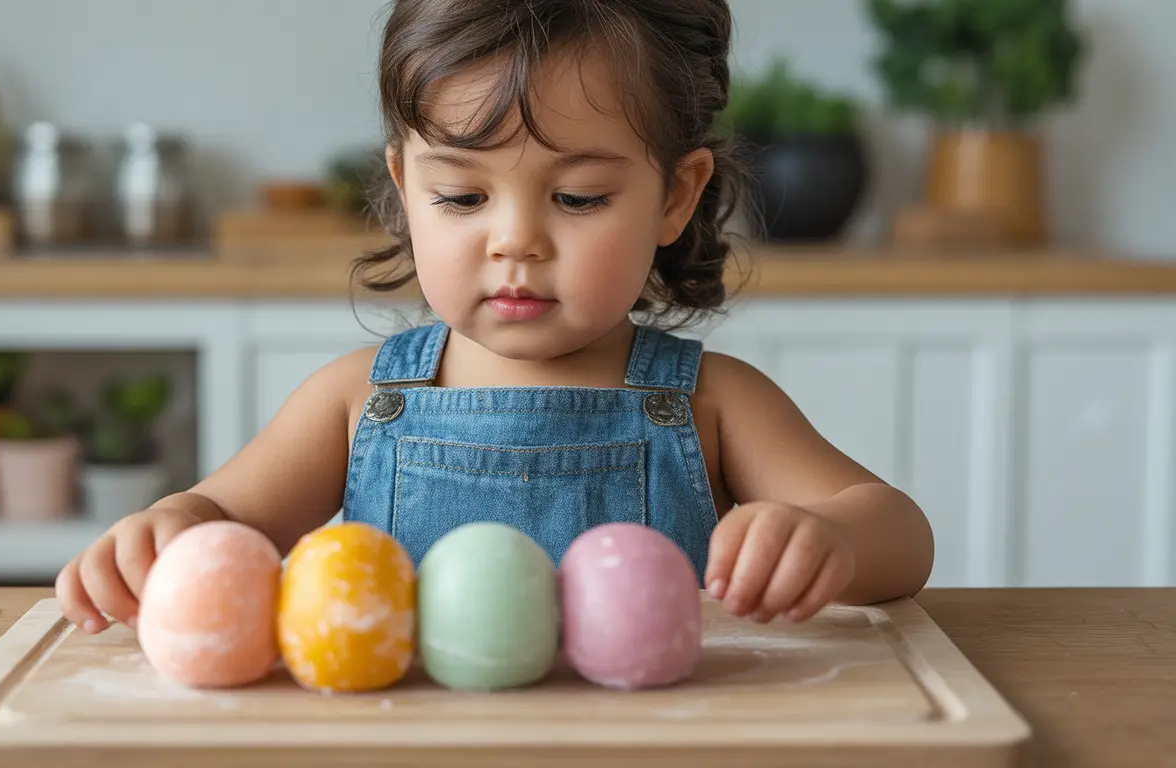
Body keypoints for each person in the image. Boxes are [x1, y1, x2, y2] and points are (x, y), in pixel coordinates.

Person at [57, 0, 934, 636]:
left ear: (675, 196)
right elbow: (222, 520)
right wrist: (168, 526)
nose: (516, 242)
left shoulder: (713, 402)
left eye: (579, 197)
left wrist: (831, 539)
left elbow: (900, 531)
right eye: (464, 195)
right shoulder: (356, 399)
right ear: (407, 191)